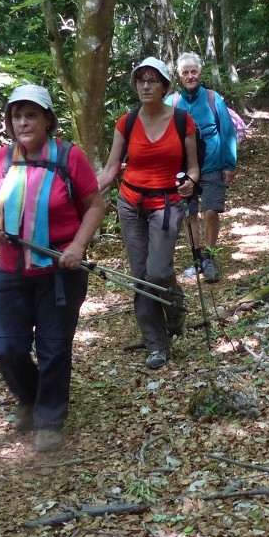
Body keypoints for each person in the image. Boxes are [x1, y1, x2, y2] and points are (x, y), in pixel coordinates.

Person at [0, 84, 106, 452]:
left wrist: (78, 247)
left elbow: (95, 205)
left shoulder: (70, 157)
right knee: (5, 346)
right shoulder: (4, 157)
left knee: (53, 347)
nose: (23, 122)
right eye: (17, 115)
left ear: (48, 119)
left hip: (59, 271)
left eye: (31, 114)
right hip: (12, 269)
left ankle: (49, 418)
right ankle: (32, 398)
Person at [97, 58, 198, 369]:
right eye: (140, 80)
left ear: (165, 86)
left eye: (152, 80)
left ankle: (175, 307)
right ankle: (156, 344)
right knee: (140, 276)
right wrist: (83, 191)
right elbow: (112, 167)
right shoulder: (126, 122)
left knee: (157, 271)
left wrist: (190, 183)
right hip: (130, 204)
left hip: (167, 205)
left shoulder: (182, 121)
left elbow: (193, 167)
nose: (145, 85)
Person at [170, 51, 238, 283]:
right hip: (185, 169)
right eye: (185, 73)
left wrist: (229, 165)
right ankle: (197, 257)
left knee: (211, 211)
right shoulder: (173, 103)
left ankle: (209, 256)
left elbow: (227, 131)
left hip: (212, 165)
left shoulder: (212, 98)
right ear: (179, 76)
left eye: (194, 71)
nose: (190, 76)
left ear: (200, 73)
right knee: (190, 215)